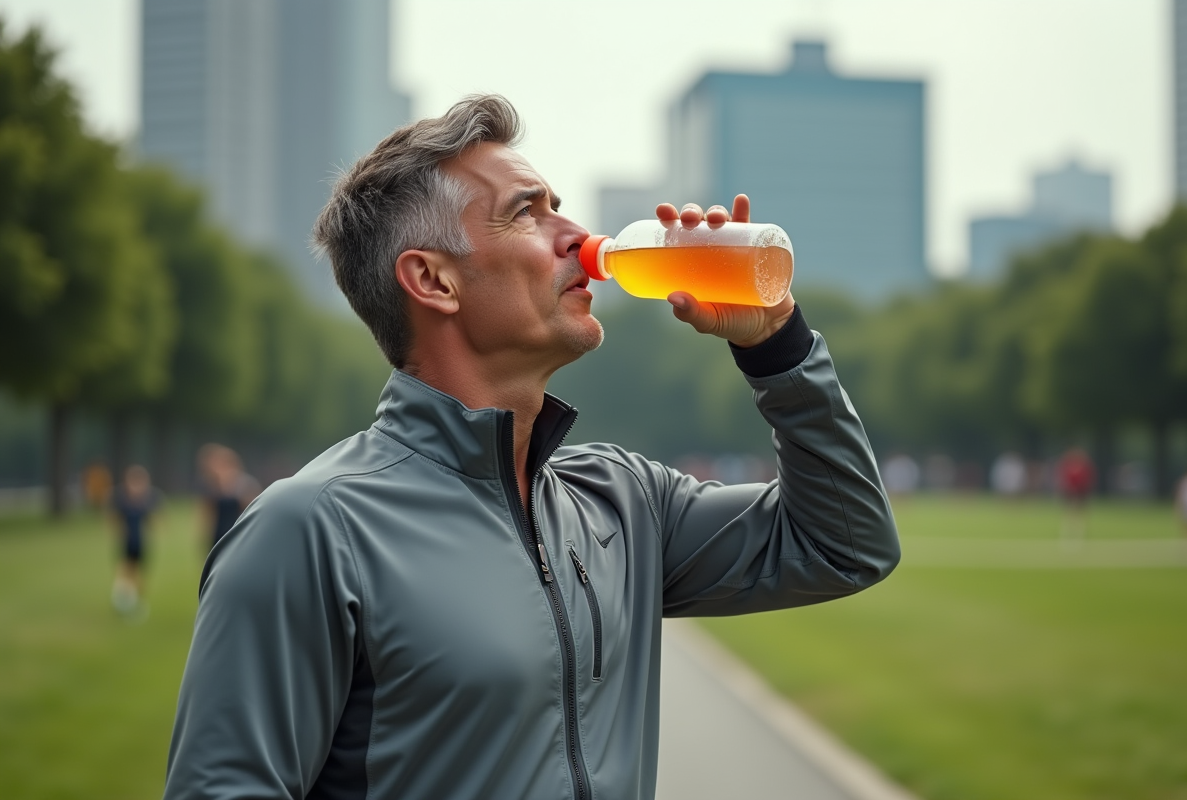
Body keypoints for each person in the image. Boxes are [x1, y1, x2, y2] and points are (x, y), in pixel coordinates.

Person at [164, 95, 901, 800]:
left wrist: (777, 346)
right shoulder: (310, 532)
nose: (577, 237)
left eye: (558, 205)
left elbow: (846, 544)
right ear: (432, 279)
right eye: (527, 212)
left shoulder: (626, 503)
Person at [110, 464, 161, 618]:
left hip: (141, 541)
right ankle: (124, 600)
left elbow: (155, 518)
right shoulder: (121, 497)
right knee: (125, 571)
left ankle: (137, 601)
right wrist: (119, 532)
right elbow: (113, 518)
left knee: (140, 574)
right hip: (127, 541)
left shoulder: (148, 498)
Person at [196, 443, 259, 551]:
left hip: (237, 530)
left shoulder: (244, 482)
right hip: (217, 533)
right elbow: (208, 512)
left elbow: (252, 506)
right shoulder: (211, 484)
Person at [1058, 447, 1095, 540]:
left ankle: (1079, 533)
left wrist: (1081, 492)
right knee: (1069, 513)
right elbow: (1065, 480)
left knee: (1080, 514)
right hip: (1070, 494)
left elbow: (1086, 480)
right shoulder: (1068, 468)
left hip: (1081, 493)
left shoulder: (1084, 468)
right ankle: (1068, 532)